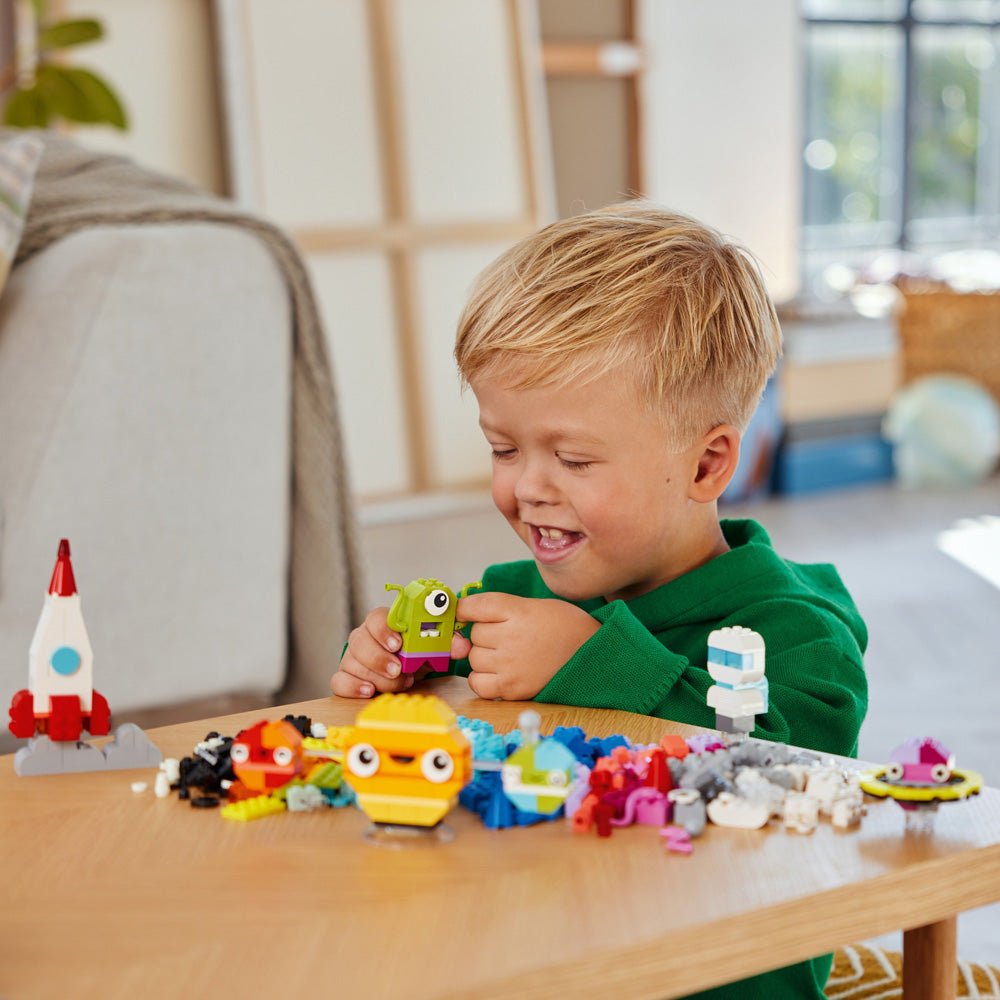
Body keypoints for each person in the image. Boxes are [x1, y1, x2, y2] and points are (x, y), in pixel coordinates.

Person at [332, 203, 868, 998]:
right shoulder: (511, 598)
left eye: (574, 460)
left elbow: (784, 781)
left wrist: (596, 661)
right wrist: (389, 666)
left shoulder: (798, 633)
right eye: (503, 448)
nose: (527, 488)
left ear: (706, 465)